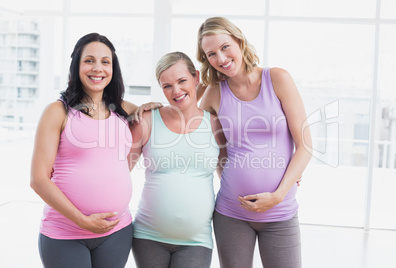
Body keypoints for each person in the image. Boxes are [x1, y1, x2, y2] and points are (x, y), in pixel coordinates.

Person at [30, 33, 161, 268]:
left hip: (117, 232)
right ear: (77, 66)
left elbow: (153, 114)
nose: (97, 68)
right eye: (89, 60)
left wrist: (150, 107)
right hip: (66, 234)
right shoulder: (57, 112)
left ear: (113, 68)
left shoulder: (121, 109)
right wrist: (82, 220)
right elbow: (39, 180)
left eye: (105, 62)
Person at [196, 17, 312, 268]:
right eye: (211, 54)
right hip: (230, 213)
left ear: (238, 41)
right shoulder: (215, 92)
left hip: (280, 211)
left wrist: (279, 193)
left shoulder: (277, 78)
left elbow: (305, 145)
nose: (221, 58)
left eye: (225, 47)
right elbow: (198, 134)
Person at [129, 51, 226, 268]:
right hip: (148, 237)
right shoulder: (146, 120)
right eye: (167, 86)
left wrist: (283, 176)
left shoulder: (215, 124)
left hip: (197, 240)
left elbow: (229, 176)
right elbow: (120, 172)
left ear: (196, 78)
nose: (176, 91)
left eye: (182, 81)